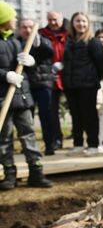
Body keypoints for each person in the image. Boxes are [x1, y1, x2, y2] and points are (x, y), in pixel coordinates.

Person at [0, 1, 52, 189]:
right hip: (2, 99)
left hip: (22, 97)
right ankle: (9, 175)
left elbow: (46, 52)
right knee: (4, 138)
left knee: (28, 134)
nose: (15, 20)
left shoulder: (17, 41)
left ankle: (36, 172)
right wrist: (5, 75)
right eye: (11, 17)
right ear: (3, 20)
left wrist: (31, 63)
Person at [63, 12, 103, 157]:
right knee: (75, 115)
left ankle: (93, 144)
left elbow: (102, 65)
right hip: (71, 85)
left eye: (83, 21)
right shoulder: (68, 41)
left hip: (88, 86)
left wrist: (93, 78)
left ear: (88, 24)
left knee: (89, 116)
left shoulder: (93, 42)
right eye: (77, 21)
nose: (81, 24)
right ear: (72, 23)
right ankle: (78, 144)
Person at [18, 18, 56, 155]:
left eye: (30, 27)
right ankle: (29, 147)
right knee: (27, 119)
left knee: (46, 115)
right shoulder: (16, 42)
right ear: (19, 29)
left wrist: (37, 42)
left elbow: (49, 51)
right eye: (24, 27)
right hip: (26, 87)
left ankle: (50, 145)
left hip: (43, 84)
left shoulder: (42, 40)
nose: (27, 30)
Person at [39, 11, 68, 151]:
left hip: (69, 76)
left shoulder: (69, 34)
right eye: (50, 19)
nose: (53, 22)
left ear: (61, 20)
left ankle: (79, 140)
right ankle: (56, 140)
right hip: (49, 78)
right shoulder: (41, 34)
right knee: (52, 111)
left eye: (55, 19)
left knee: (77, 110)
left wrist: (63, 63)